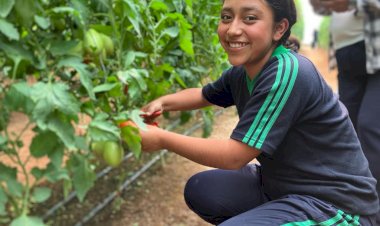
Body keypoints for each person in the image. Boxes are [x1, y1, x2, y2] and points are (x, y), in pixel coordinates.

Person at [137, 0, 379, 225]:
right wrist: (162, 103)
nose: (232, 29)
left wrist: (162, 139)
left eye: (249, 18)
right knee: (202, 189)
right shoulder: (243, 73)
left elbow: (234, 156)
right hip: (282, 187)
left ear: (279, 28)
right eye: (226, 17)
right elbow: (203, 94)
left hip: (336, 204)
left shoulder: (288, 72)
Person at [310, 0, 380, 224]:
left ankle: (374, 209)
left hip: (375, 50)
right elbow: (324, 8)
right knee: (347, 128)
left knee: (371, 127)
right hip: (346, 53)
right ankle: (356, 202)